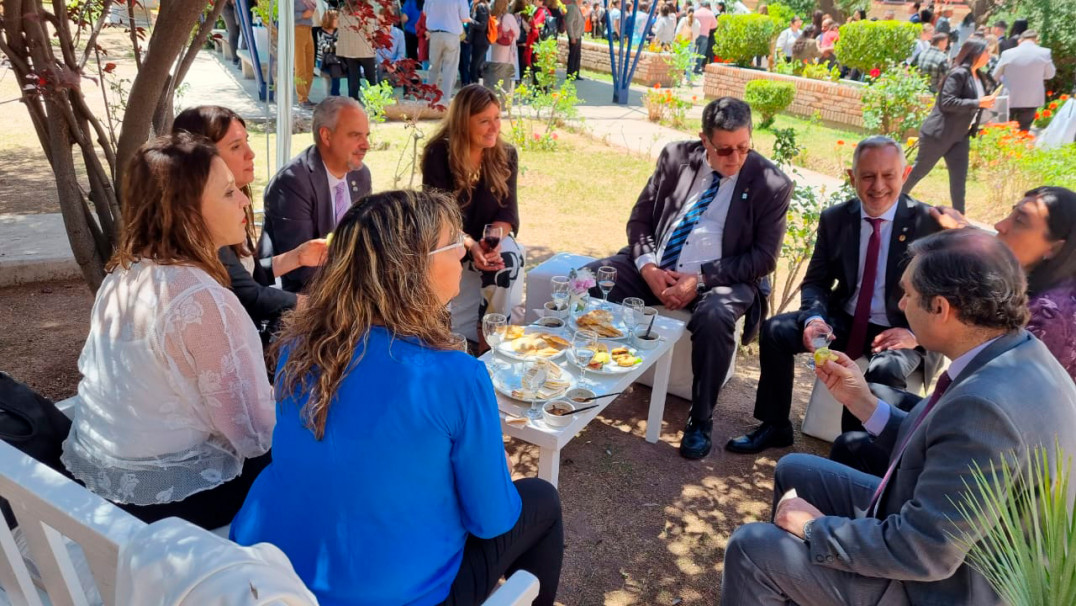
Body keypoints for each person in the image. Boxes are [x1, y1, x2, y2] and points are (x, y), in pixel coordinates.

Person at [230, 189, 564, 605]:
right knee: (542, 500)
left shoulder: (299, 345)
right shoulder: (456, 375)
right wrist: (491, 470)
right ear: (415, 267)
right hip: (388, 593)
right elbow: (492, 520)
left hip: (270, 574)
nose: (463, 252)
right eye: (453, 242)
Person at [721, 228, 1076, 606]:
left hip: (950, 588)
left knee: (751, 548)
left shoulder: (985, 406)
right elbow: (936, 444)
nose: (902, 305)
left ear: (940, 308)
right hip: (948, 546)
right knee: (796, 470)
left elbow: (925, 551)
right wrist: (862, 402)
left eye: (907, 294)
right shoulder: (1016, 353)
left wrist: (814, 529)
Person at [61, 134, 275, 529]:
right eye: (229, 193)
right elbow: (254, 434)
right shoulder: (201, 299)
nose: (245, 200)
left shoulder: (123, 273)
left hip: (103, 479)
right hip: (171, 501)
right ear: (188, 213)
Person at [584, 97, 794, 460]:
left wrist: (698, 279)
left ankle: (701, 418)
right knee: (586, 282)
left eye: (744, 147)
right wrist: (648, 268)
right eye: (725, 149)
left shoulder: (771, 183)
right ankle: (585, 377)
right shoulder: (675, 157)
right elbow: (639, 221)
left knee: (714, 318)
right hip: (657, 267)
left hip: (722, 278)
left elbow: (763, 258)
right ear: (704, 140)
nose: (736, 158)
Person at [834, 186, 1076, 476]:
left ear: (1055, 247)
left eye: (1021, 220)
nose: (1000, 225)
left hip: (996, 463)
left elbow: (995, 425)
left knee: (852, 445)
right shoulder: (1034, 288)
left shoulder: (1050, 316)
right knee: (863, 415)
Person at [727, 137, 941, 455]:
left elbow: (945, 299)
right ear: (852, 176)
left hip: (901, 328)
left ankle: (858, 453)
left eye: (888, 175)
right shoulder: (836, 218)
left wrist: (914, 334)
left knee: (884, 370)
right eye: (867, 176)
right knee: (775, 331)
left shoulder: (929, 224)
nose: (878, 186)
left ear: (905, 173)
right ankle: (775, 426)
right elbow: (816, 282)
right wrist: (814, 317)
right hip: (844, 318)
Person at [172, 106, 327, 339]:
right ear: (202, 157)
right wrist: (327, 305)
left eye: (247, 141)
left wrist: (298, 257)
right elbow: (249, 295)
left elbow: (244, 274)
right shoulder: (206, 218)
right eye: (236, 146)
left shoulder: (231, 205)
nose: (250, 154)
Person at [421, 84, 524, 335]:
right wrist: (471, 245)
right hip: (450, 238)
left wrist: (492, 243)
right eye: (484, 121)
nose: (494, 127)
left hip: (490, 238)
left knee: (506, 259)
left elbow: (507, 212)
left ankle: (490, 337)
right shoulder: (438, 154)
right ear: (463, 123)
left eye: (497, 118)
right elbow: (439, 216)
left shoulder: (506, 154)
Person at [262, 97, 372, 293]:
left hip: (352, 289)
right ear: (326, 136)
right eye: (356, 135)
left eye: (366, 135)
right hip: (307, 299)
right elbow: (302, 272)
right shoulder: (293, 182)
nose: (366, 145)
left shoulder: (361, 175)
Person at [902, 39, 998, 214]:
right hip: (939, 133)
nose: (989, 56)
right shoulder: (959, 74)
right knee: (919, 170)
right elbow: (947, 102)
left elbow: (976, 104)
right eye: (986, 52)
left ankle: (959, 219)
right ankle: (893, 200)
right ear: (975, 53)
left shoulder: (980, 77)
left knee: (959, 180)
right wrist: (978, 102)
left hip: (961, 135)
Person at [993, 29, 1057, 131]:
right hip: (1031, 98)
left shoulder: (1007, 53)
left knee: (1003, 130)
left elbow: (995, 75)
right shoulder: (1045, 53)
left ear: (1020, 40)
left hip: (1008, 97)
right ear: (1036, 40)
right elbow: (1050, 74)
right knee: (1024, 131)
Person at [425, 0, 471, 100]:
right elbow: (465, 18)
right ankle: (444, 99)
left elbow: (425, 12)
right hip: (452, 35)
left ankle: (429, 98)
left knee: (433, 68)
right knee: (449, 69)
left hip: (434, 34)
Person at [338, 0, 379, 99]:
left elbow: (340, 30)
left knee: (353, 79)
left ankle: (353, 103)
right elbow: (370, 29)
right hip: (365, 50)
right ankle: (374, 103)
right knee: (371, 80)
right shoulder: (366, 10)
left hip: (349, 51)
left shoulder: (343, 11)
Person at [486, 0, 520, 95]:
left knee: (495, 75)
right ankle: (504, 97)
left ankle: (494, 94)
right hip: (507, 51)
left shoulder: (493, 17)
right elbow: (517, 34)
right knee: (505, 76)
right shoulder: (509, 17)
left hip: (494, 49)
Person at [315, 10, 343, 97]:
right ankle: (334, 95)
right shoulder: (320, 32)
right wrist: (335, 45)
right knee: (334, 71)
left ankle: (334, 95)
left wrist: (335, 46)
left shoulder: (338, 32)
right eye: (335, 19)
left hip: (335, 61)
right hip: (323, 61)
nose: (337, 20)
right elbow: (324, 48)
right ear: (329, 20)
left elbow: (341, 45)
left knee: (335, 68)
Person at [295, 0, 318, 108]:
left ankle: (306, 96)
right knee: (300, 67)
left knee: (310, 66)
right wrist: (303, 15)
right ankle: (301, 98)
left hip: (308, 29)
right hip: (297, 29)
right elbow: (287, 15)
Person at [376, 9, 407, 83]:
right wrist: (386, 64)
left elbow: (401, 53)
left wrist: (395, 64)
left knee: (405, 65)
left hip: (394, 61)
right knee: (379, 67)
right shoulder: (376, 33)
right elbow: (376, 53)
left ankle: (406, 93)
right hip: (381, 62)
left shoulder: (399, 33)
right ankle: (378, 90)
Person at [466, 0, 492, 85]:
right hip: (478, 42)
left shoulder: (481, 7)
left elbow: (482, 26)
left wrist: (470, 21)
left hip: (480, 43)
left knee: (474, 68)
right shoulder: (476, 6)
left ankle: (475, 88)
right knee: (474, 67)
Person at [693, 1, 717, 73]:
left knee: (692, 51)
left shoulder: (696, 12)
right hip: (705, 35)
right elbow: (715, 25)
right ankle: (696, 69)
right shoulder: (711, 14)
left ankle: (688, 68)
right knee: (701, 53)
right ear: (707, 6)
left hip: (694, 35)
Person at [565, 0, 585, 77]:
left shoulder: (577, 7)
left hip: (578, 35)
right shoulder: (572, 8)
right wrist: (572, 36)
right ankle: (570, 73)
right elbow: (569, 23)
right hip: (574, 35)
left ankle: (576, 73)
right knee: (573, 55)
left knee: (577, 55)